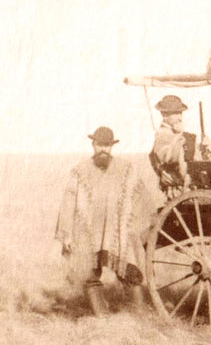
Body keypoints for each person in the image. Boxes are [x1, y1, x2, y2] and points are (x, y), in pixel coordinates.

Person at [55, 126, 148, 316]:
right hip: (89, 233)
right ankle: (102, 317)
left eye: (107, 146)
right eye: (100, 145)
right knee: (89, 274)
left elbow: (142, 197)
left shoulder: (127, 169)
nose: (103, 150)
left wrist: (137, 227)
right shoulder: (79, 171)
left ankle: (140, 318)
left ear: (112, 146)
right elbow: (68, 201)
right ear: (93, 145)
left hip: (119, 233)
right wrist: (66, 234)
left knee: (130, 272)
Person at [150, 94, 192, 194]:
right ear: (164, 115)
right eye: (176, 113)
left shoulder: (175, 134)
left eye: (181, 113)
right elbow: (169, 158)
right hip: (177, 190)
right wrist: (180, 136)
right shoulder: (162, 135)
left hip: (185, 186)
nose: (180, 118)